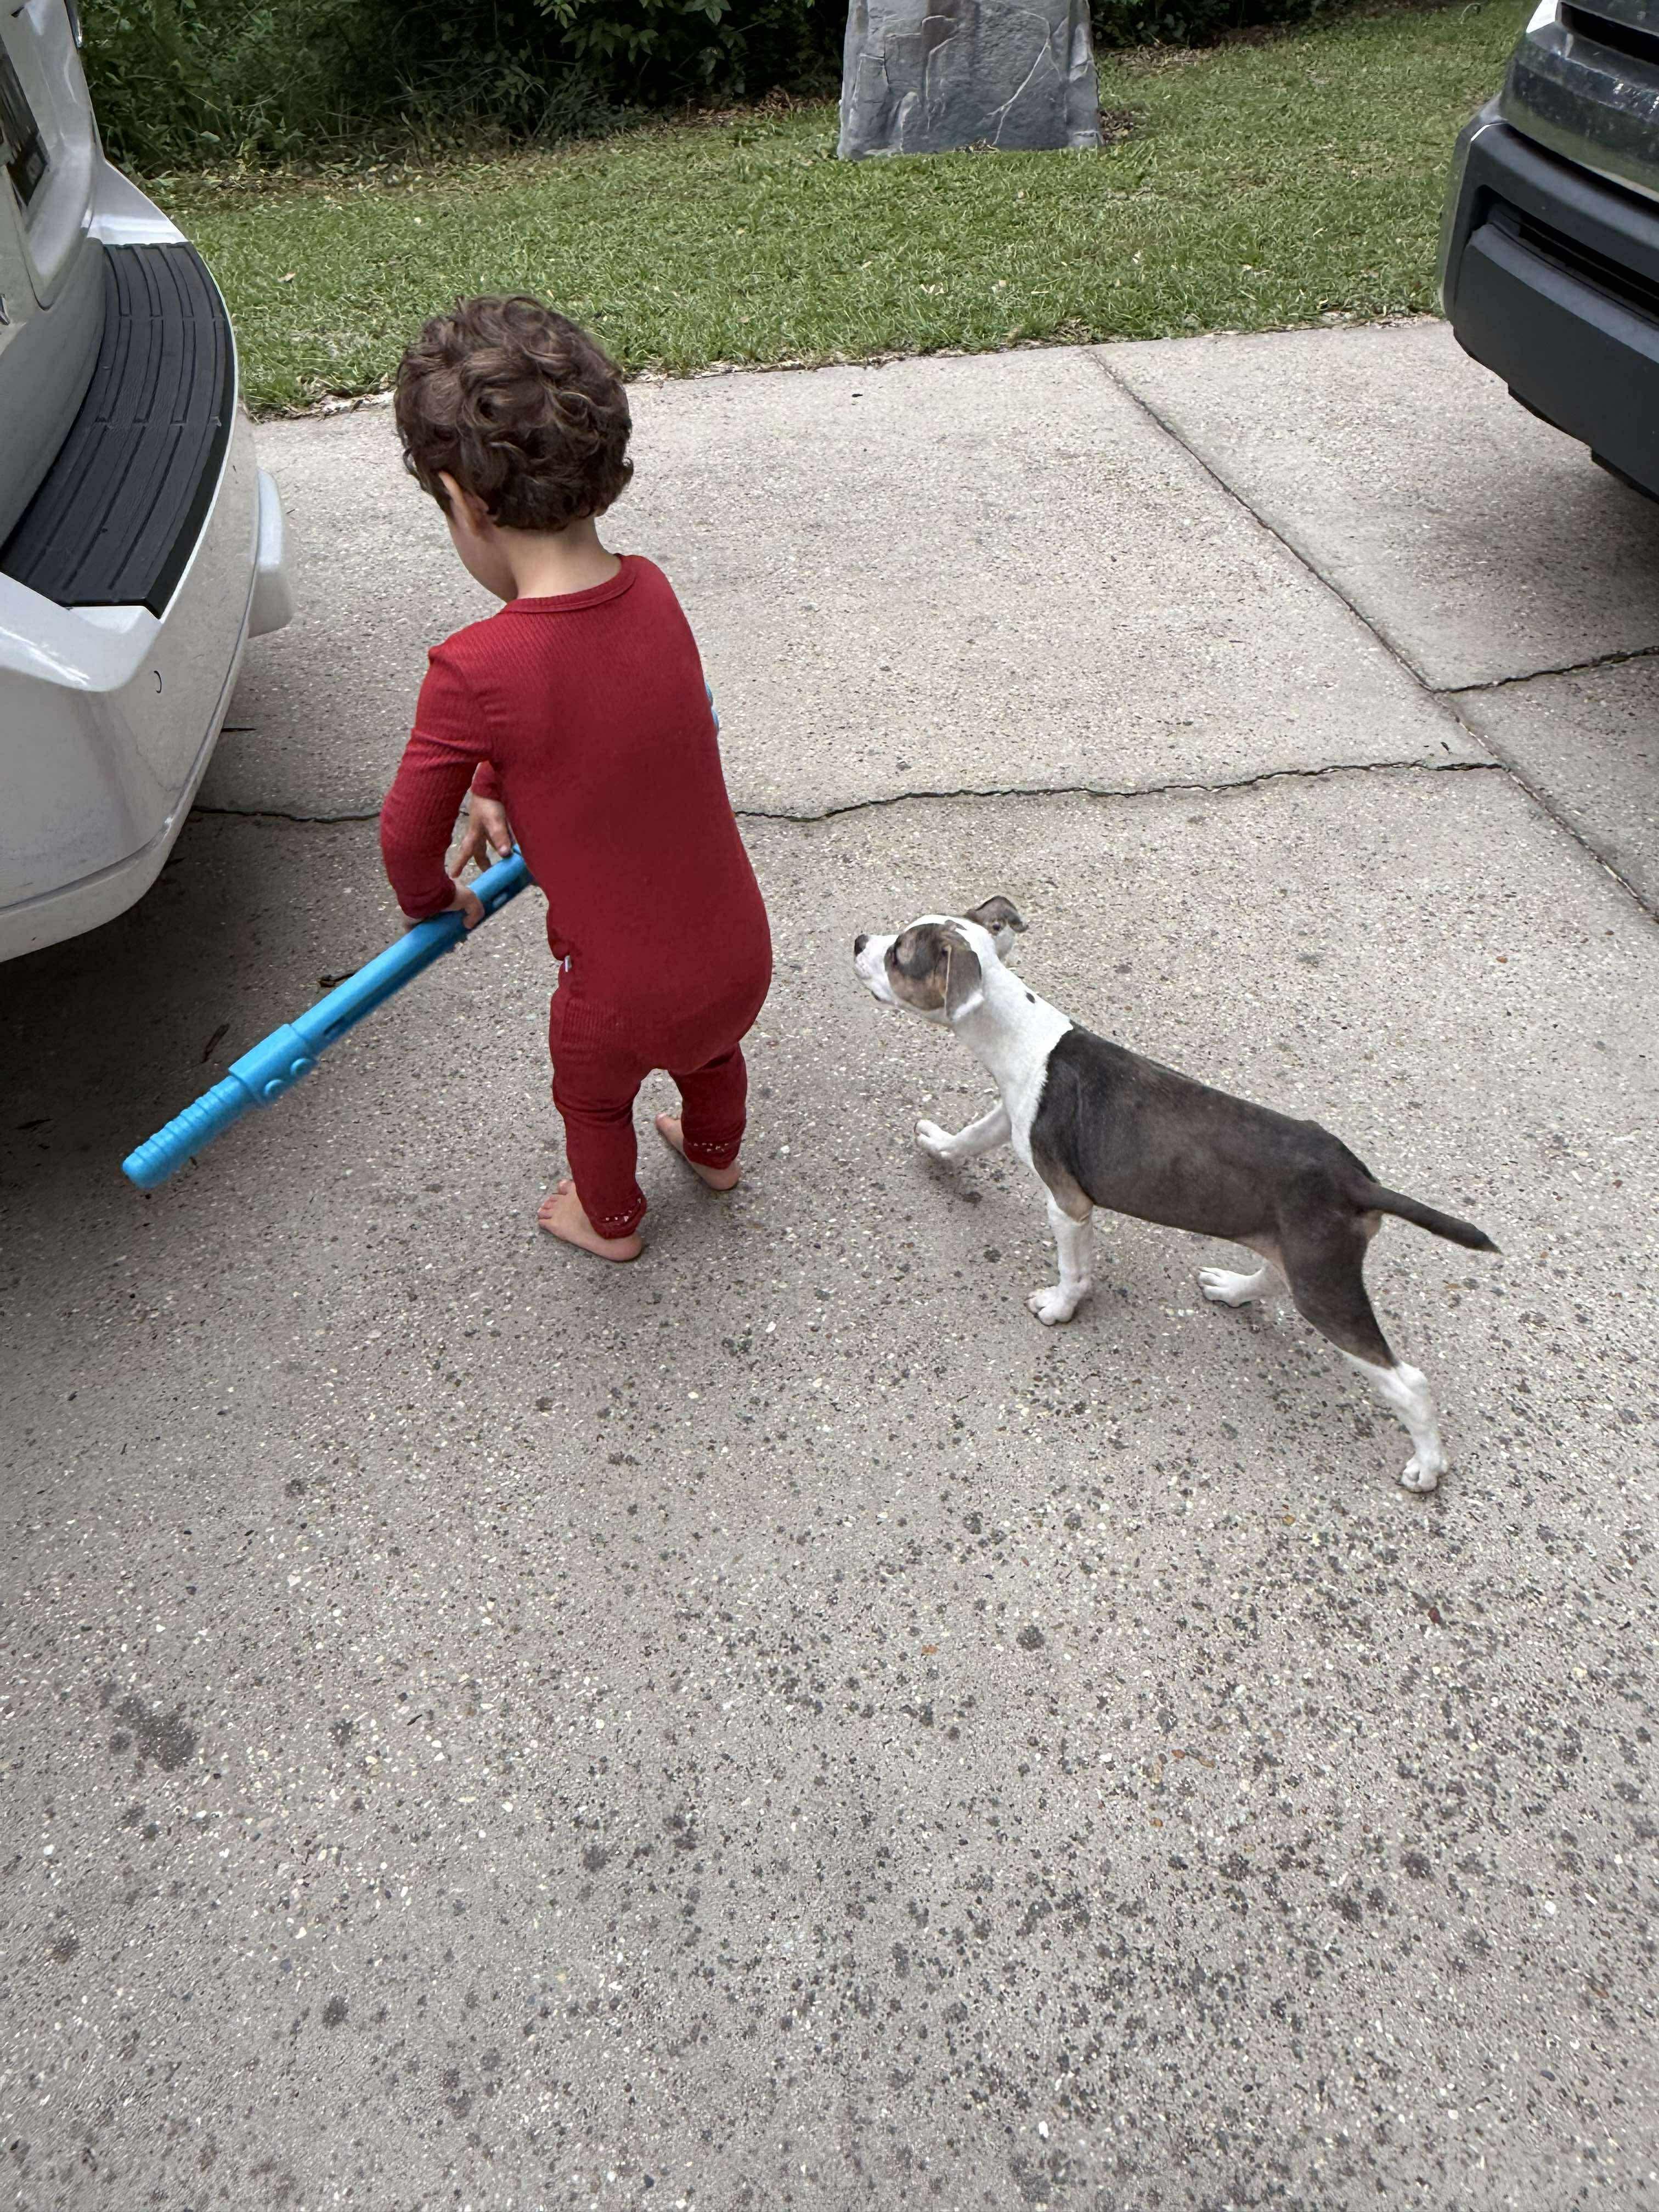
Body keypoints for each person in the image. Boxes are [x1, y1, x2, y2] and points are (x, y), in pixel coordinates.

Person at [379, 296, 772, 1262]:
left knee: (593, 1098)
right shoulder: (655, 591)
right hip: (740, 955)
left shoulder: (473, 668)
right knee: (712, 1052)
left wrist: (439, 900)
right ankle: (718, 1155)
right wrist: (494, 779)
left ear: (460, 499)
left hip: (620, 999)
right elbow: (601, 717)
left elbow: (402, 836)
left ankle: (611, 1222)